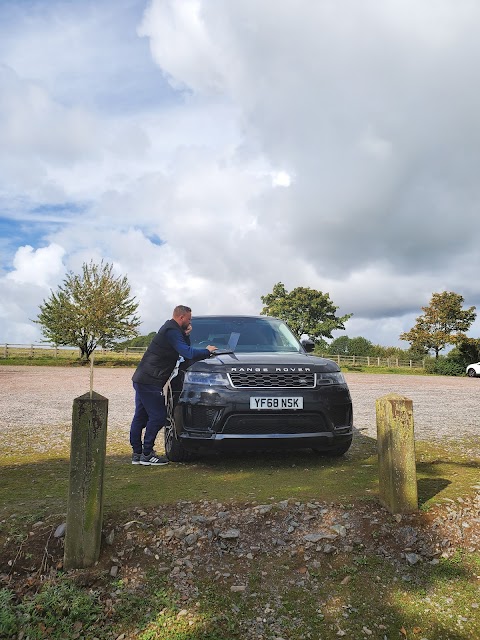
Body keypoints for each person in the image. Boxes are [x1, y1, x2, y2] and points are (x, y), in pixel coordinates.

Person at [130, 306, 216, 465]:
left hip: (142, 378)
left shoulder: (171, 330)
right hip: (150, 381)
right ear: (182, 317)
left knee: (141, 416)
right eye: (189, 319)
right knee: (158, 417)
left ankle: (137, 453)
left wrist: (186, 335)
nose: (190, 322)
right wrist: (207, 351)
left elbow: (185, 349)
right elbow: (188, 353)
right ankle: (147, 454)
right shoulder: (172, 331)